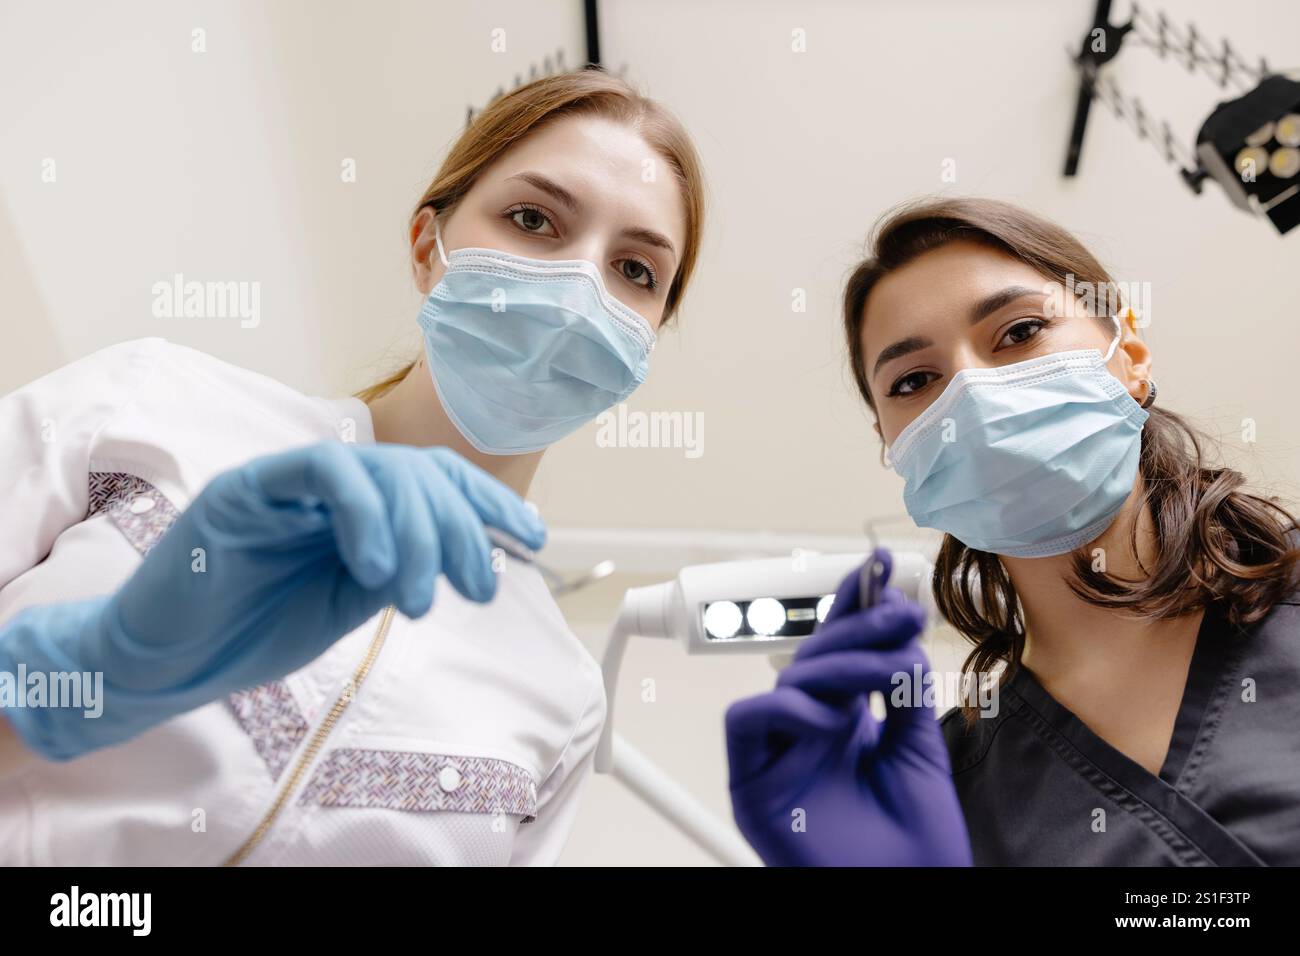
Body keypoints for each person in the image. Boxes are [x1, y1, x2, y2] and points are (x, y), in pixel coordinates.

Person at [0, 68, 705, 865]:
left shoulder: (565, 695)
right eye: (532, 218)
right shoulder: (148, 402)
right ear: (425, 247)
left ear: (645, 344)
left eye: (636, 271)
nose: (580, 287)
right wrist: (91, 668)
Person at [728, 197, 1300, 866]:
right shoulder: (942, 795)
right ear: (895, 448)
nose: (972, 392)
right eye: (915, 379)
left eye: (1020, 330)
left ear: (1130, 355)